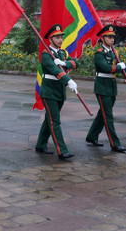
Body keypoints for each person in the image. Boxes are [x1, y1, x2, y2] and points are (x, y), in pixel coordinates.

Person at [85, 25, 126, 153]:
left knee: (103, 114)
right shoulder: (99, 53)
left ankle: (91, 136)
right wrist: (119, 67)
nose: (112, 39)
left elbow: (124, 67)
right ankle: (115, 143)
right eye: (109, 37)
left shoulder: (114, 52)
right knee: (108, 116)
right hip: (102, 87)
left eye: (113, 37)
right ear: (103, 38)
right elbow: (106, 68)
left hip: (111, 86)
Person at [35, 24, 78, 160]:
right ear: (50, 39)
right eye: (57, 37)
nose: (60, 40)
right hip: (49, 92)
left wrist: (65, 64)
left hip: (59, 91)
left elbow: (75, 62)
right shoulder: (46, 54)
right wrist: (68, 80)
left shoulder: (63, 53)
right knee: (55, 121)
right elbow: (55, 71)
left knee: (50, 119)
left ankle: (41, 144)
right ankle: (62, 150)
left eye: (61, 37)